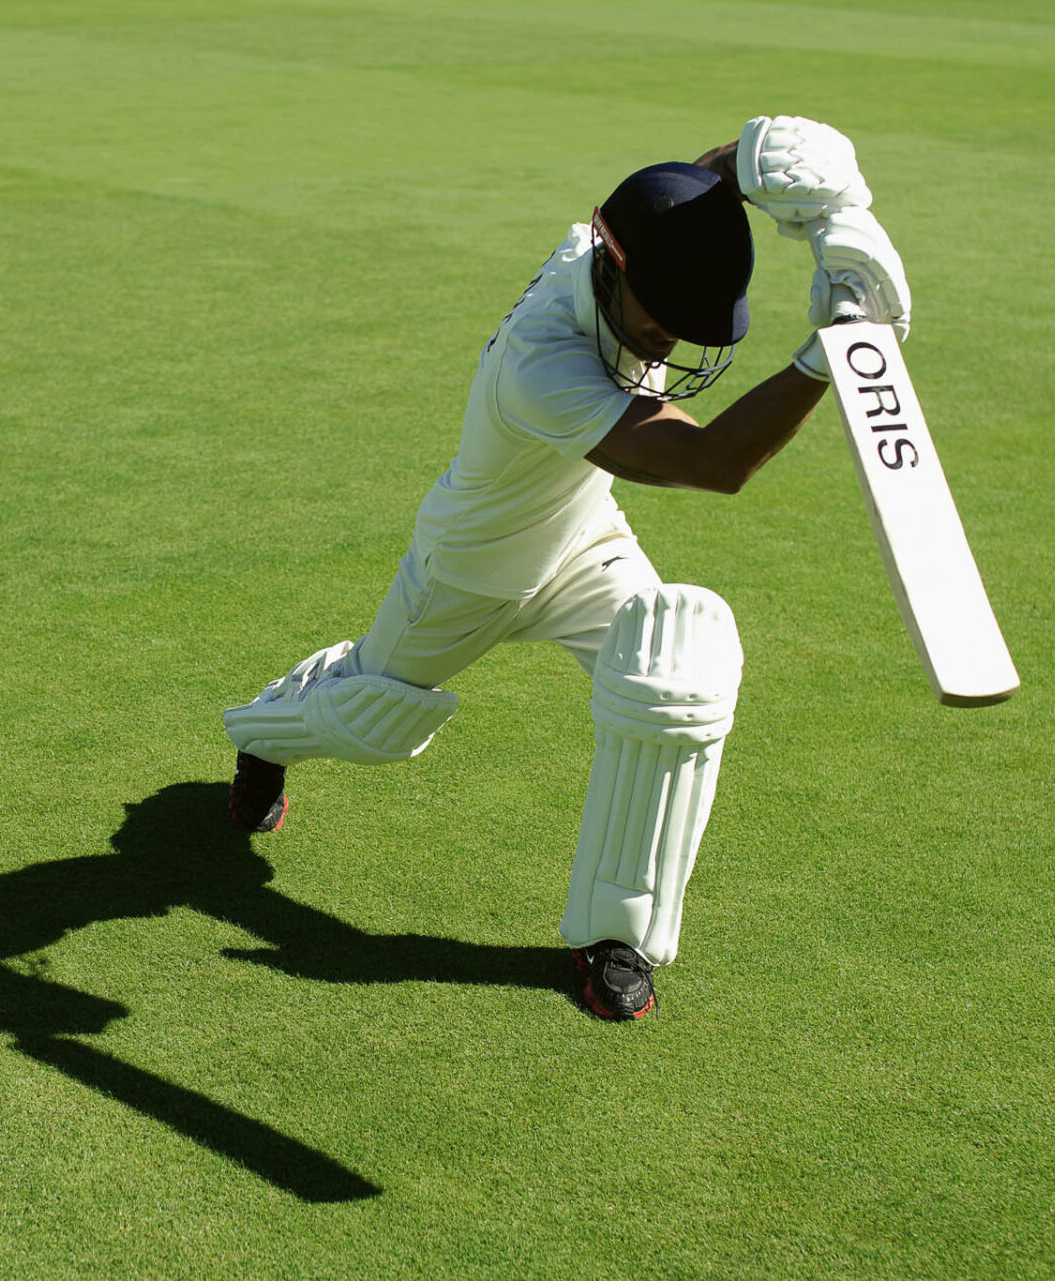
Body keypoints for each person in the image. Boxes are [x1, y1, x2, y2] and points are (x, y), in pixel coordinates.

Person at [222, 117, 911, 1020]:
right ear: (613, 277)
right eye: (660, 321)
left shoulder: (617, 237)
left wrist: (779, 165)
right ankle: (265, 731)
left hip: (585, 538)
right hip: (469, 569)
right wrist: (835, 352)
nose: (667, 343)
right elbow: (714, 464)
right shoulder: (541, 366)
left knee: (674, 677)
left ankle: (615, 937)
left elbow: (696, 180)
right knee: (374, 721)